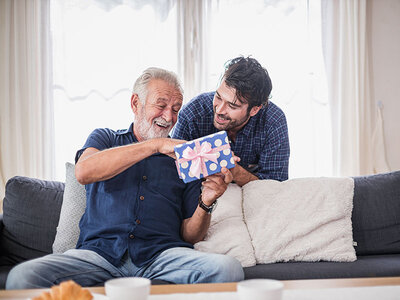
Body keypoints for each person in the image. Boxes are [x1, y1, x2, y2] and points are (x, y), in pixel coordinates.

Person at [6, 67, 244, 289]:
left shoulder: (185, 157)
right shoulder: (106, 138)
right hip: (98, 256)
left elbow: (190, 234)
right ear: (135, 103)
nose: (169, 116)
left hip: (161, 256)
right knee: (22, 277)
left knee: (228, 270)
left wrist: (207, 201)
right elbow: (83, 172)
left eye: (175, 109)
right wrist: (155, 146)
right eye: (160, 105)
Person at [172, 56, 290, 186]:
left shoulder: (273, 121)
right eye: (218, 97)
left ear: (254, 110)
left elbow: (276, 186)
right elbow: (171, 171)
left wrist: (235, 171)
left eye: (232, 106)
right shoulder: (193, 113)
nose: (220, 110)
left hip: (255, 196)